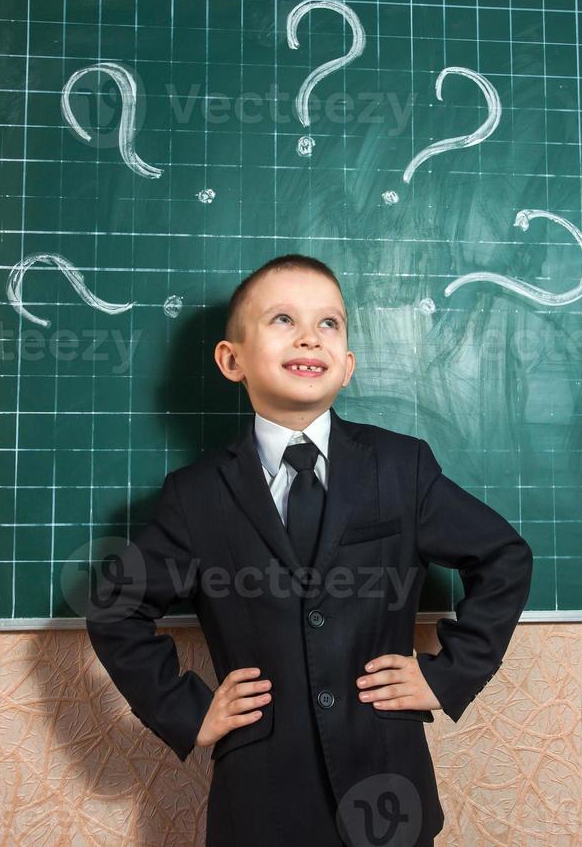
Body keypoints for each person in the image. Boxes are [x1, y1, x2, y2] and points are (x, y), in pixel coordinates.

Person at [86, 253, 533, 847]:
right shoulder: (195, 497)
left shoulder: (402, 468)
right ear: (231, 360)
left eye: (329, 324)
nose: (308, 337)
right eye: (281, 320)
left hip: (388, 791)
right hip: (260, 798)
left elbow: (504, 556)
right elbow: (115, 606)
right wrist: (188, 710)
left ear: (346, 365)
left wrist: (448, 676)